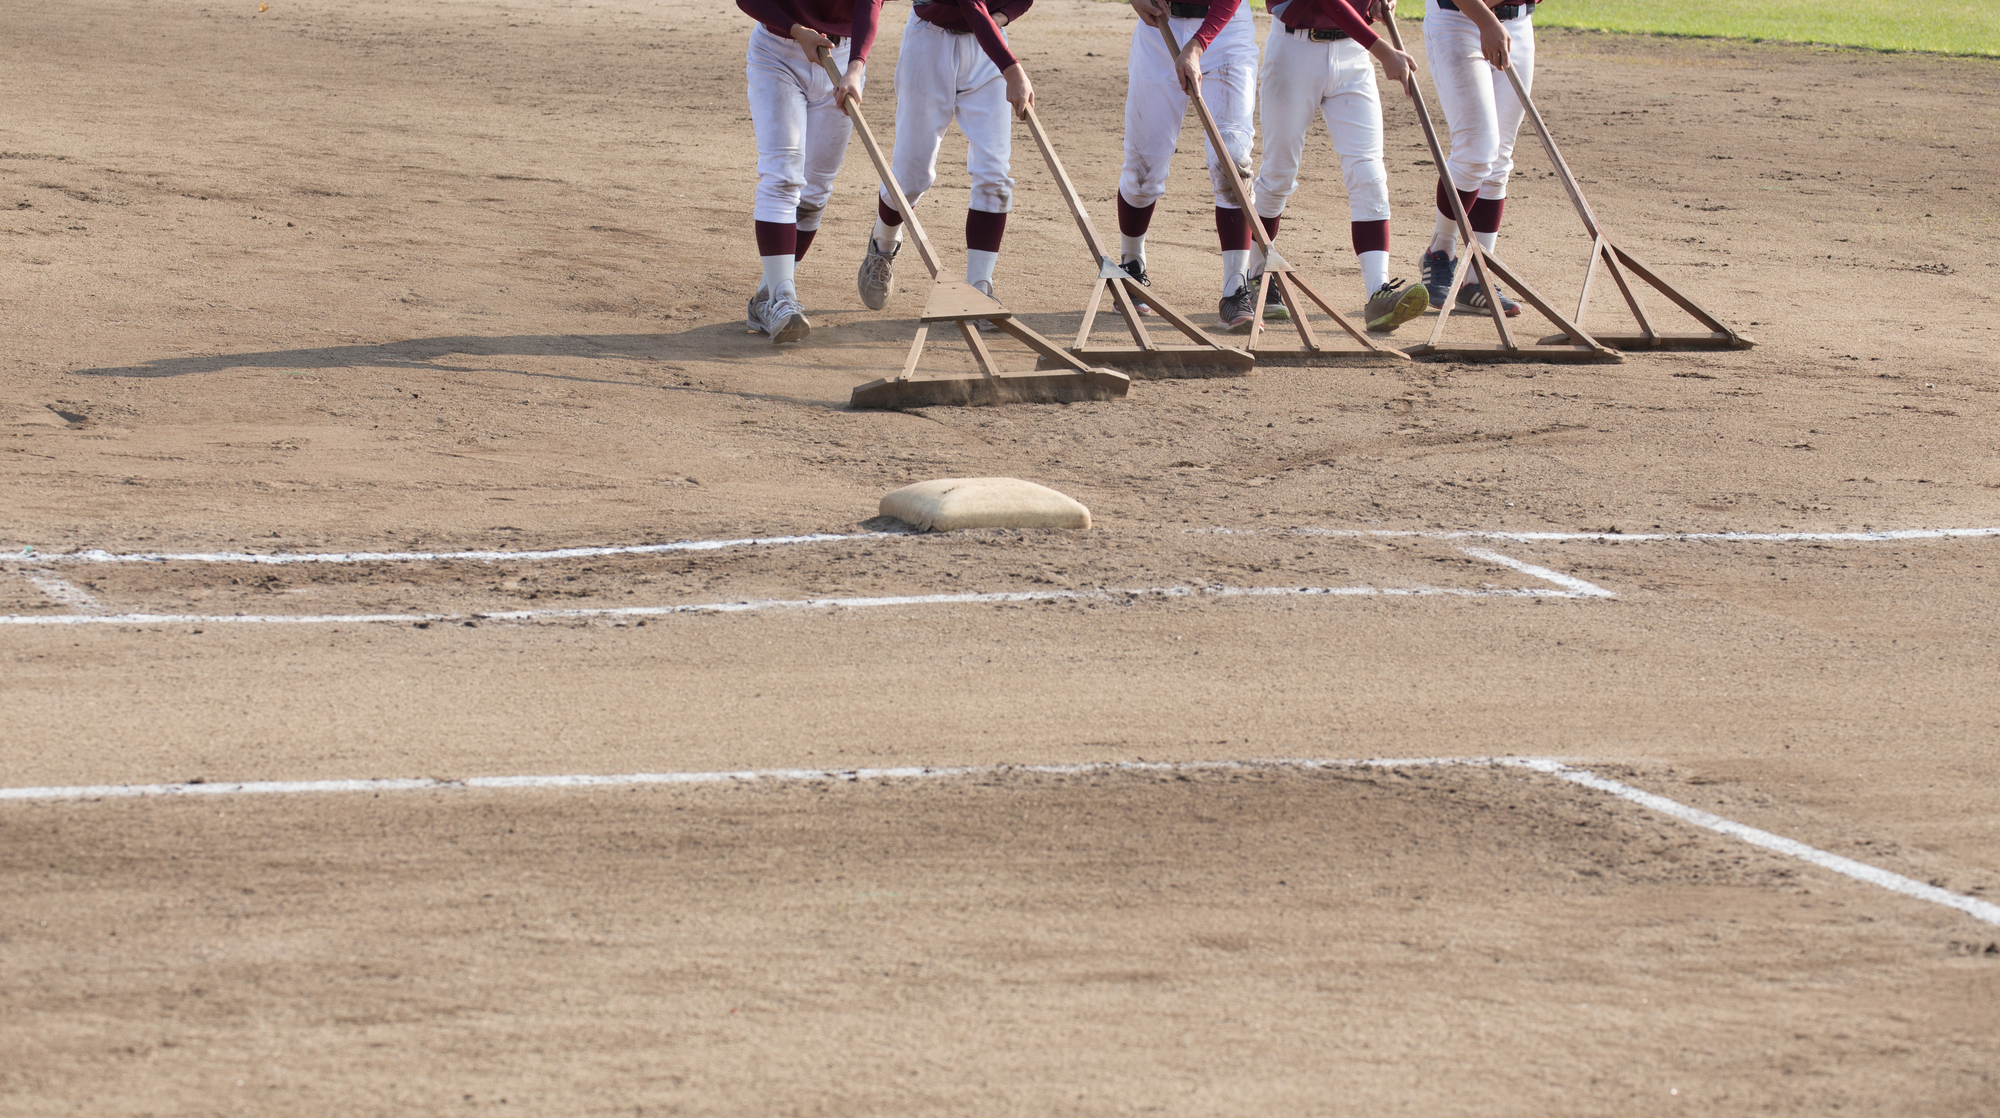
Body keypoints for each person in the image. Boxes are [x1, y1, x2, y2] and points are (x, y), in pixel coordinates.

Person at [1249, 0, 1428, 332]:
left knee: (1369, 174)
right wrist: (1382, 49)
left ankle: (1379, 292)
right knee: (1278, 175)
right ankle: (1256, 273)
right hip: (1294, 51)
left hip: (1352, 54)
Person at [856, 0, 1037, 320]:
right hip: (931, 41)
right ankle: (883, 244)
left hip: (987, 45)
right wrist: (1011, 66)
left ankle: (978, 288)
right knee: (912, 178)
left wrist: (999, 17)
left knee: (995, 174)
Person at [736, 0, 885, 343]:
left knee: (815, 191)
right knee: (783, 177)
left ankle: (766, 297)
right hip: (778, 52)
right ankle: (783, 299)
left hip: (841, 58)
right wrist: (797, 30)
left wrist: (856, 67)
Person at [1115, 0, 1263, 331]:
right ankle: (1131, 265)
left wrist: (1196, 46)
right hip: (1159, 26)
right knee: (1143, 168)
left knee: (1233, 159)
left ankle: (1235, 288)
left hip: (1225, 30)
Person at [1418, 0, 1537, 316]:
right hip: (1458, 20)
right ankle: (1440, 251)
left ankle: (1476, 278)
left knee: (1498, 162)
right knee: (1476, 150)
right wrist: (1485, 20)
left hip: (1517, 23)